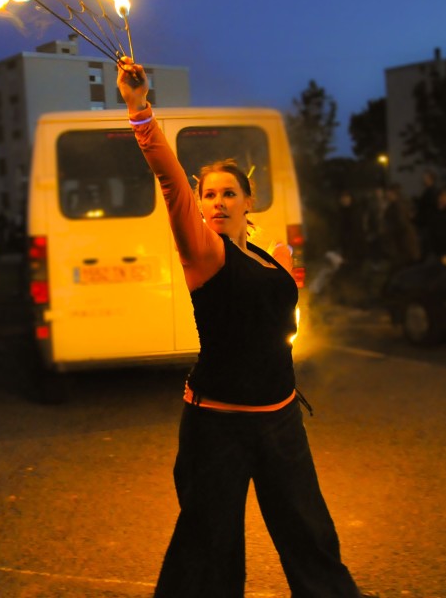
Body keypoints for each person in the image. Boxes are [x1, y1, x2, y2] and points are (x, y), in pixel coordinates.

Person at [117, 57, 368, 597]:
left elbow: (282, 316)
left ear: (248, 201)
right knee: (209, 552)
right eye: (209, 195)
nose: (218, 202)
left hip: (280, 422)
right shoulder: (203, 254)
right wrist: (140, 111)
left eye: (229, 193)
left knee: (311, 539)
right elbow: (168, 178)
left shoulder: (271, 255)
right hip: (218, 428)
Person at [383, 184, 420, 277]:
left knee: (401, 271)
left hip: (402, 244)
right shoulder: (399, 204)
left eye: (388, 192)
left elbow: (401, 225)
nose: (386, 194)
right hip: (402, 243)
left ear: (393, 193)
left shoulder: (398, 206)